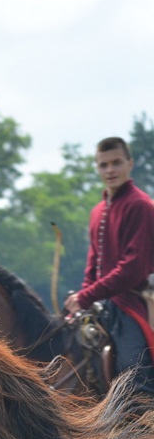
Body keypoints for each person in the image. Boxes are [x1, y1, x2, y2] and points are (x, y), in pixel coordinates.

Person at [63, 136, 154, 392]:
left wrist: (88, 295)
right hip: (104, 305)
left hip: (134, 304)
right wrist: (81, 301)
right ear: (97, 167)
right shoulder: (97, 211)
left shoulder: (140, 205)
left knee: (133, 373)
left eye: (116, 163)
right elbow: (93, 266)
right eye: (104, 165)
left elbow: (133, 268)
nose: (110, 170)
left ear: (130, 164)